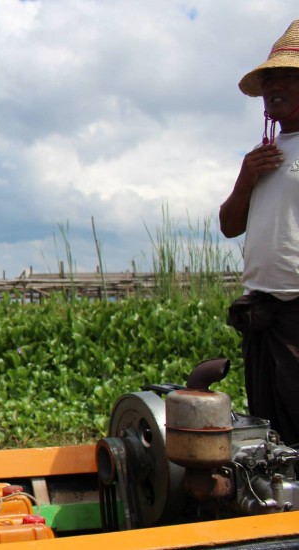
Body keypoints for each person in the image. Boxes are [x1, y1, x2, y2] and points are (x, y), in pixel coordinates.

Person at [220, 20, 299, 446]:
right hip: (263, 314)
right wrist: (245, 179)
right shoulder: (263, 155)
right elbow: (230, 225)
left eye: (287, 78)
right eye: (269, 81)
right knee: (271, 434)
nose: (274, 89)